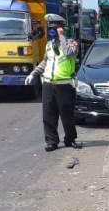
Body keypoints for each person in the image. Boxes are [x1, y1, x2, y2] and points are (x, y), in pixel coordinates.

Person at [26, 19, 81, 152]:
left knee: (67, 115)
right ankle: (51, 141)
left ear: (61, 28)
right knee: (48, 115)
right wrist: (33, 73)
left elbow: (68, 53)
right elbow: (45, 62)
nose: (52, 30)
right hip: (48, 84)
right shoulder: (49, 45)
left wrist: (62, 37)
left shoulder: (72, 43)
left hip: (65, 85)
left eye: (55, 28)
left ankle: (70, 139)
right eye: (50, 28)